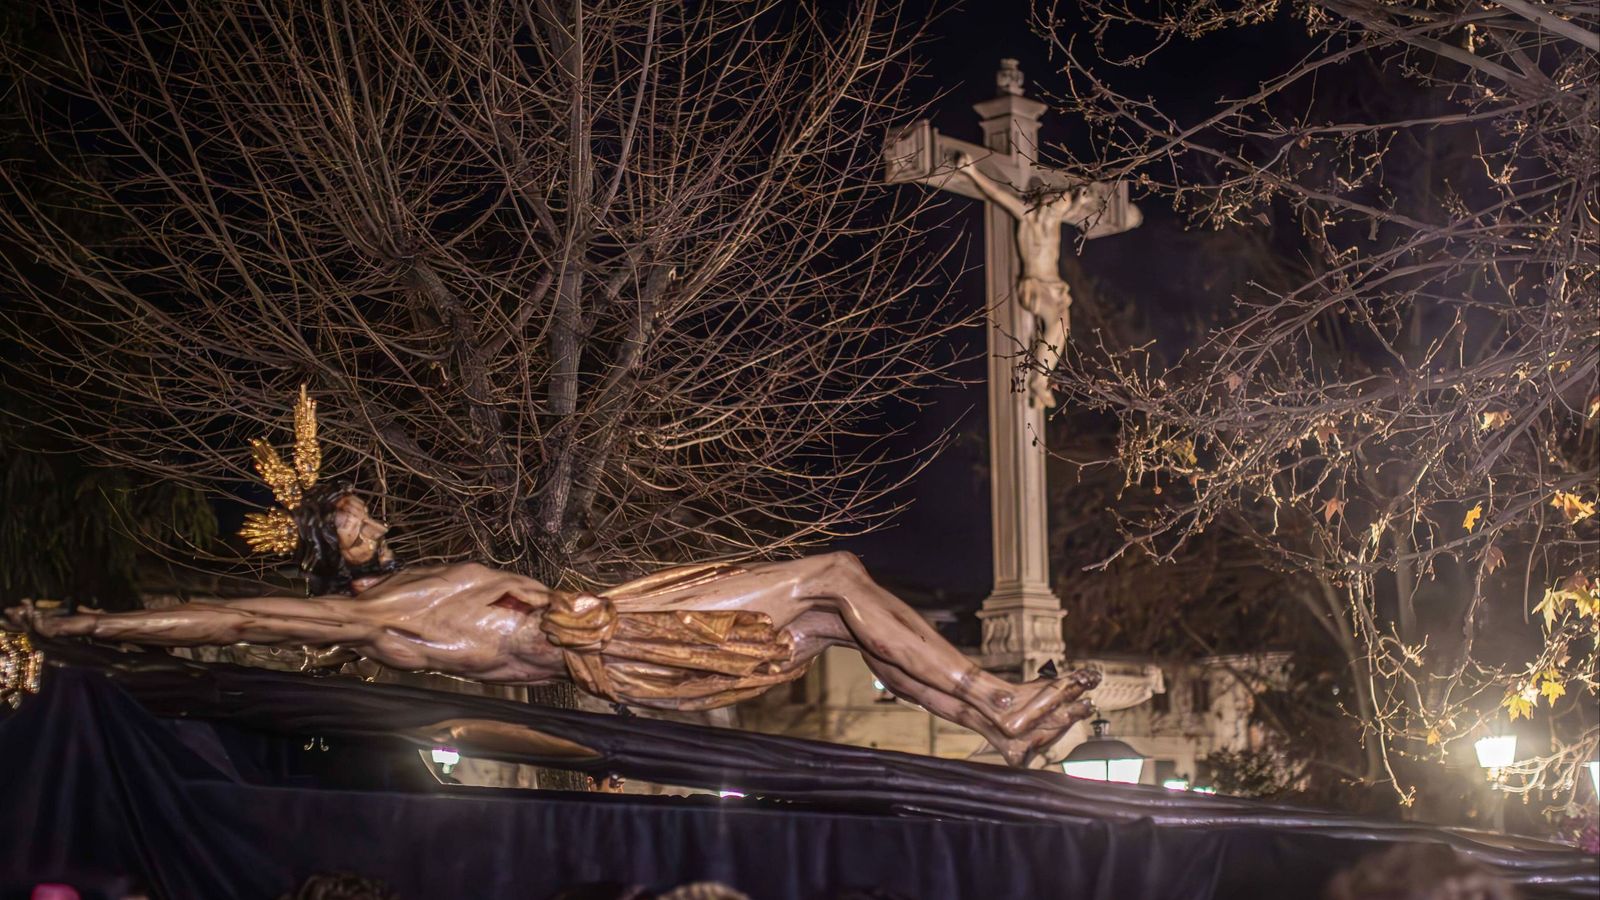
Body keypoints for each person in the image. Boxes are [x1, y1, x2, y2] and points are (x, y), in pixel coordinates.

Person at [6, 389, 1099, 767]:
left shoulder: (410, 579)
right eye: (351, 513)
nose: (372, 513)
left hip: (608, 625)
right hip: (609, 634)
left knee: (829, 620)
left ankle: (994, 722)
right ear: (330, 550)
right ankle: (998, 697)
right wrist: (95, 623)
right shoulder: (378, 617)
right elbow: (237, 613)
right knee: (831, 572)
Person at [949, 150, 1104, 409]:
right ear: (1047, 203)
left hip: (1053, 285)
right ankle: (1038, 380)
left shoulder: (1053, 218)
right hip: (1034, 284)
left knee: (1063, 329)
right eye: (1057, 205)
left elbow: (1069, 208)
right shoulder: (1027, 216)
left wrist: (1079, 201)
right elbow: (996, 194)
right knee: (1056, 323)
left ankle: (1041, 378)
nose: (1059, 212)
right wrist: (972, 172)